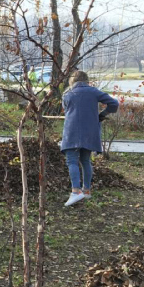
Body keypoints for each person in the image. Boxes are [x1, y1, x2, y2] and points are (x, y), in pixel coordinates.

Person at [61, 70, 118, 207]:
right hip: (90, 132)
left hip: (72, 131)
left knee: (72, 160)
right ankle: (86, 190)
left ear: (72, 81)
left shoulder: (67, 94)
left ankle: (76, 191)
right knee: (85, 160)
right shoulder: (94, 92)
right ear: (86, 80)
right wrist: (102, 115)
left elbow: (65, 108)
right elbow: (114, 104)